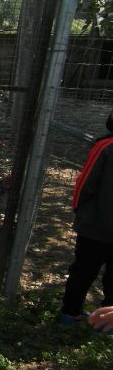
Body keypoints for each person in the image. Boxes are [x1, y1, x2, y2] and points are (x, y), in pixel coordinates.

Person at [58, 111, 113, 325]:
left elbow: (85, 184)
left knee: (82, 272)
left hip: (96, 226)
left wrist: (79, 211)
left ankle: (70, 314)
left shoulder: (105, 146)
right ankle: (107, 324)